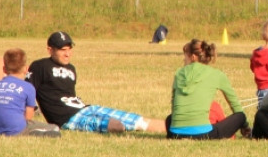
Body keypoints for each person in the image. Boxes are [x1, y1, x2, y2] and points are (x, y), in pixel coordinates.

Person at [27, 31, 166, 134]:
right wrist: (26, 121)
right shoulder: (40, 66)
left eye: (70, 49)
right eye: (63, 50)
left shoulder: (71, 69)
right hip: (67, 119)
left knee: (137, 120)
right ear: (50, 50)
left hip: (86, 109)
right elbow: (26, 92)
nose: (68, 54)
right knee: (116, 126)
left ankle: (176, 128)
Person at [167, 38, 249, 140]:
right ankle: (248, 132)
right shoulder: (217, 74)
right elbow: (235, 104)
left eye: (185, 57)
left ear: (193, 57)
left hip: (175, 133)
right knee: (240, 116)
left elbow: (174, 105)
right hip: (203, 134)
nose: (183, 60)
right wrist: (245, 125)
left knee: (169, 118)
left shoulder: (179, 73)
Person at [0, 49, 60, 137]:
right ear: (26, 69)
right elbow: (28, 116)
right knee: (54, 128)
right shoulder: (28, 87)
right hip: (14, 129)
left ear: (4, 69)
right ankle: (33, 133)